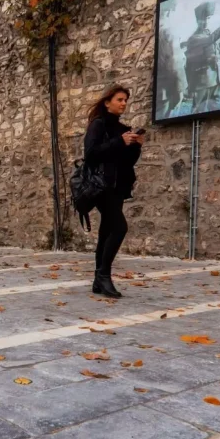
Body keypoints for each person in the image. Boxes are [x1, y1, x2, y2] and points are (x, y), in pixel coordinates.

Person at [83, 86, 143, 298]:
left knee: (107, 231)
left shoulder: (122, 128)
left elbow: (126, 162)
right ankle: (103, 276)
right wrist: (119, 142)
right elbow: (90, 154)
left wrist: (136, 146)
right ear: (107, 102)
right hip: (101, 187)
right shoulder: (98, 125)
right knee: (120, 228)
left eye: (126, 100)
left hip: (118, 187)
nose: (123, 103)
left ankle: (98, 281)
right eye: (119, 99)